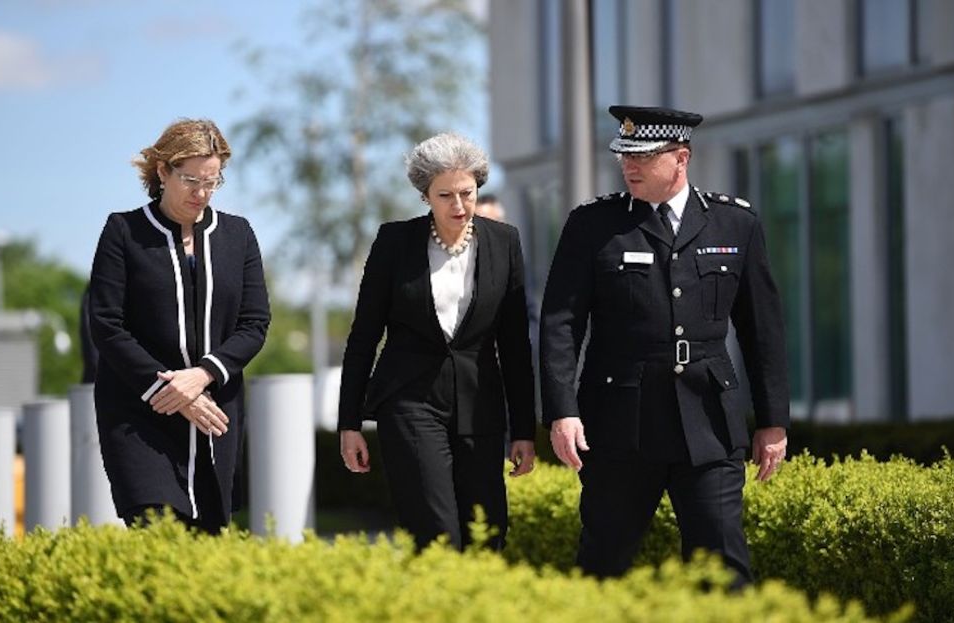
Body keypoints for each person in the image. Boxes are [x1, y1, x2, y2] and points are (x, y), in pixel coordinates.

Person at [539, 106, 789, 585]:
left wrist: (773, 421)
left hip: (709, 424)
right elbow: (560, 324)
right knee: (602, 567)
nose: (629, 166)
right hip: (618, 427)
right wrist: (561, 410)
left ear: (681, 158)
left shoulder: (735, 224)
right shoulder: (593, 225)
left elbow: (763, 330)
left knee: (723, 570)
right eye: (624, 157)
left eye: (644, 157)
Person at [338, 132, 536, 550]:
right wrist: (349, 423)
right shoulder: (394, 242)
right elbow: (363, 337)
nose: (459, 206)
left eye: (467, 193)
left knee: (487, 532)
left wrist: (523, 430)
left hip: (479, 403)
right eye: (445, 195)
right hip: (409, 402)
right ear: (425, 195)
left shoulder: (505, 242)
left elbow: (515, 345)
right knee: (436, 533)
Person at [88, 118, 271, 534]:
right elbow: (106, 324)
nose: (202, 192)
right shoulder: (123, 232)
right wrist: (169, 389)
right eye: (191, 180)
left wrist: (203, 375)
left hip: (213, 414)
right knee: (159, 530)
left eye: (213, 181)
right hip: (140, 414)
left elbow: (255, 323)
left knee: (208, 543)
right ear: (162, 172)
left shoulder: (238, 235)